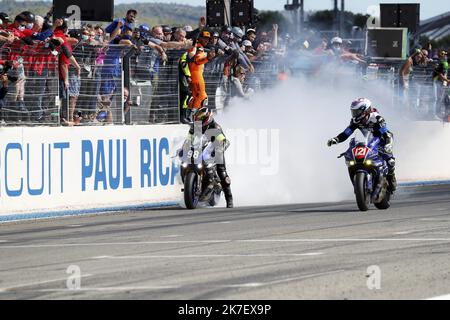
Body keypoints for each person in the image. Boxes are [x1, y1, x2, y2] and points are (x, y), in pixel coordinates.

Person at [327, 98, 397, 192]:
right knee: (351, 156)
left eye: (357, 111)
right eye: (353, 112)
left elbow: (386, 134)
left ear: (365, 110)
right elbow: (346, 133)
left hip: (382, 140)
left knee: (390, 161)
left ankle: (391, 177)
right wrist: (336, 139)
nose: (354, 114)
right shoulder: (356, 121)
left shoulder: (377, 119)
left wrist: (388, 144)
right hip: (367, 141)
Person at [181, 107, 233, 208]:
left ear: (207, 118)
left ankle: (229, 199)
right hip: (199, 150)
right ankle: (191, 187)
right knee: (184, 163)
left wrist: (219, 148)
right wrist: (183, 149)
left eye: (200, 120)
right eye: (197, 120)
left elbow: (223, 141)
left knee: (222, 172)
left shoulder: (215, 127)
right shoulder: (195, 127)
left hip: (214, 150)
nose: (198, 122)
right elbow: (188, 140)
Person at [187, 30, 215, 110]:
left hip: (196, 74)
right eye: (204, 38)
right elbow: (197, 61)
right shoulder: (198, 47)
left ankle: (192, 114)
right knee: (201, 96)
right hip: (196, 75)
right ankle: (194, 115)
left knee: (198, 96)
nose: (206, 40)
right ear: (200, 38)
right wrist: (207, 58)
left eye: (208, 39)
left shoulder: (200, 47)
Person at [432, 50, 450, 119]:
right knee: (435, 98)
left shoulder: (445, 63)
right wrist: (447, 80)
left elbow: (444, 74)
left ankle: (438, 113)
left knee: (440, 98)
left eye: (445, 54)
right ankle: (433, 114)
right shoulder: (443, 63)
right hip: (436, 82)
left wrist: (445, 82)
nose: (444, 55)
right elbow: (440, 75)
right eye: (443, 54)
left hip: (441, 83)